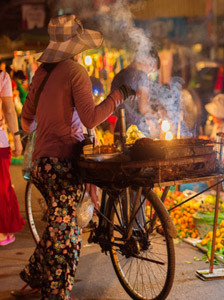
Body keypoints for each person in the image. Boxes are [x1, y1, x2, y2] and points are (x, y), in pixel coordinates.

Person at [18, 14, 134, 299]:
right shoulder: (75, 72)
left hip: (41, 166)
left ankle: (34, 274)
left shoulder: (41, 74)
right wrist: (118, 96)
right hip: (63, 165)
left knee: (60, 224)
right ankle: (56, 294)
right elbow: (91, 118)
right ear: (76, 46)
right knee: (67, 236)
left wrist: (49, 121)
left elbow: (25, 122)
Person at [111, 45, 161, 138]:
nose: (149, 73)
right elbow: (143, 108)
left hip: (119, 130)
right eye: (152, 69)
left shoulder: (118, 76)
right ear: (149, 59)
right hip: (136, 133)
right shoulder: (141, 76)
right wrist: (158, 114)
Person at [0, 64, 24, 246]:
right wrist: (17, 138)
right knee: (2, 186)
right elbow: (9, 110)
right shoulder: (2, 77)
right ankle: (2, 232)